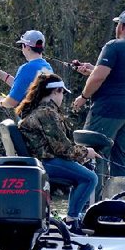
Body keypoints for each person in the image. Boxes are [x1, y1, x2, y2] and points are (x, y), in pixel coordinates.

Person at [72, 10, 125, 198]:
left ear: (122, 26)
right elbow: (121, 77)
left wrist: (83, 96)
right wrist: (92, 70)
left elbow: (99, 77)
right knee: (120, 156)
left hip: (107, 110)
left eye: (118, 24)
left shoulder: (114, 46)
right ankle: (122, 202)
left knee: (93, 153)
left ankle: (88, 205)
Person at [16, 73, 100, 228]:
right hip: (46, 162)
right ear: (55, 91)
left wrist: (81, 155)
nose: (63, 97)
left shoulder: (37, 109)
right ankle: (72, 222)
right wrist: (86, 152)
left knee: (82, 176)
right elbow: (61, 147)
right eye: (62, 93)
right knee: (90, 178)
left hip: (42, 161)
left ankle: (72, 218)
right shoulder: (47, 113)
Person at [0, 30, 52, 109]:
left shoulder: (26, 69)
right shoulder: (47, 67)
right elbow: (22, 86)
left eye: (22, 45)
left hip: (32, 119)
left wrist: (2, 101)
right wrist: (2, 75)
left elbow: (12, 102)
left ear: (27, 47)